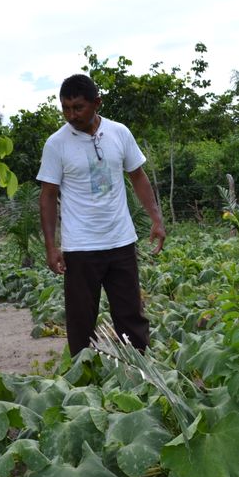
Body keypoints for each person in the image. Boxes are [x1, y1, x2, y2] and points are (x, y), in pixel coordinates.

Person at [37, 74, 166, 356]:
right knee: (81, 321)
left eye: (78, 107)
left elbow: (138, 176)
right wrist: (51, 246)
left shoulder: (119, 133)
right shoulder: (56, 144)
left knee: (131, 317)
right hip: (80, 247)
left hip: (121, 241)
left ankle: (140, 374)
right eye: (66, 108)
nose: (71, 115)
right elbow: (47, 195)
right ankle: (84, 379)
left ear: (97, 103)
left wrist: (156, 219)